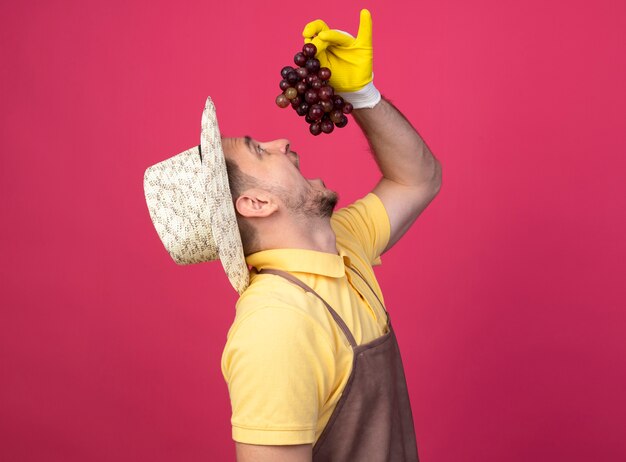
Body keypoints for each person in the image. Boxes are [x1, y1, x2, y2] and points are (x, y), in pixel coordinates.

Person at [144, 9, 441, 462]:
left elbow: (418, 179)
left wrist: (361, 94)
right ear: (257, 204)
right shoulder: (275, 327)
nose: (283, 142)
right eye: (259, 151)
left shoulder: (343, 245)